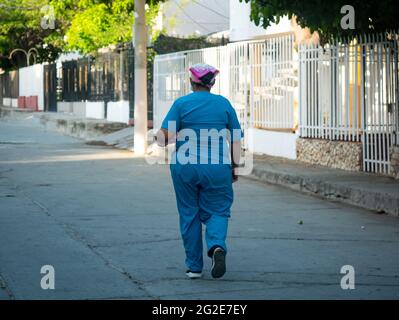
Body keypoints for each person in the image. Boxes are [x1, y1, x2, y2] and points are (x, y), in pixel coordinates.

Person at [156, 63, 242, 279]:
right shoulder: (224, 104)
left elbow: (162, 138)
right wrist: (234, 166)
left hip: (185, 167)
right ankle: (216, 247)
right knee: (219, 210)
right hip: (217, 167)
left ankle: (194, 267)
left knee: (189, 213)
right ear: (212, 83)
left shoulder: (181, 104)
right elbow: (236, 139)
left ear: (191, 82)